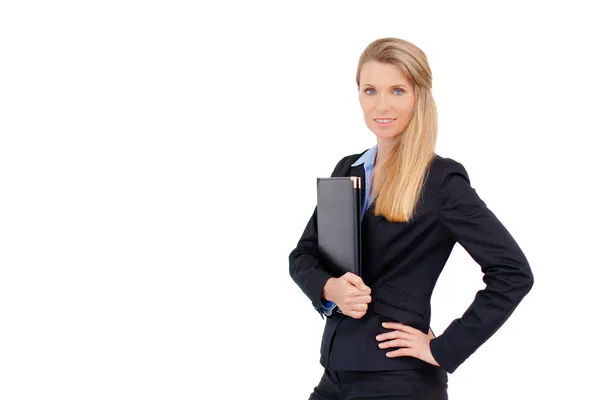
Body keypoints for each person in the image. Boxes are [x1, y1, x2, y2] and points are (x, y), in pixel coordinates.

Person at [288, 37, 534, 400]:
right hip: (334, 375)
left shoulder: (440, 181)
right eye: (370, 90)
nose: (381, 105)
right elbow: (303, 254)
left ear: (418, 96)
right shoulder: (349, 168)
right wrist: (328, 288)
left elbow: (513, 272)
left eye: (397, 90)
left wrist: (444, 348)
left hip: (397, 380)